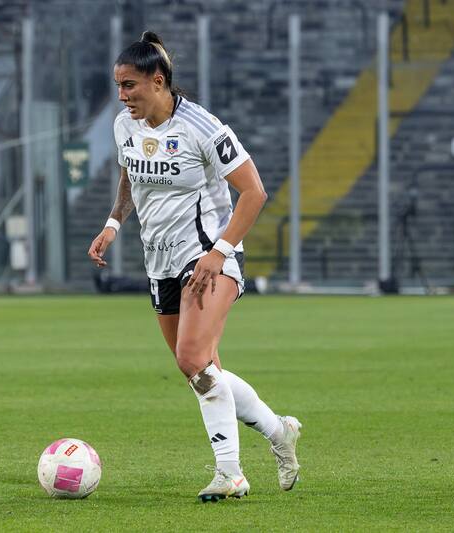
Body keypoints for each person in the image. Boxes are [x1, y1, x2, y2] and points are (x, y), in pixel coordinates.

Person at [88, 32, 302, 502]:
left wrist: (220, 251)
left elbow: (255, 192)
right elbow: (130, 177)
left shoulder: (203, 127)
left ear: (158, 81)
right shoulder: (127, 126)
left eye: (130, 86)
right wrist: (112, 224)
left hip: (208, 256)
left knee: (191, 357)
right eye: (118, 86)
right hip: (159, 260)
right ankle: (278, 431)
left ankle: (230, 474)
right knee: (202, 371)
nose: (122, 96)